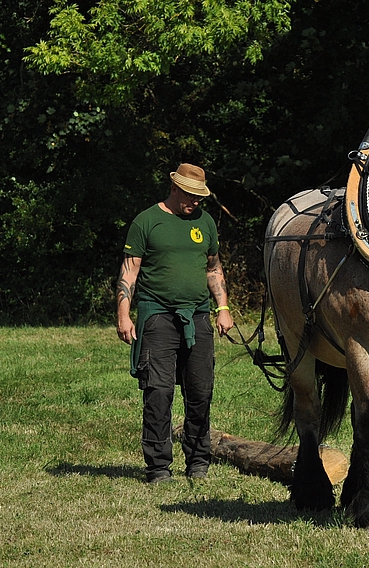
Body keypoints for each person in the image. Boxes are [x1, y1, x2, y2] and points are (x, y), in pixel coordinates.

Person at [116, 163, 234, 484]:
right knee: (158, 392)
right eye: (190, 195)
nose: (195, 202)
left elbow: (213, 267)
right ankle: (158, 467)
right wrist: (124, 314)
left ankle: (198, 461)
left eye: (200, 197)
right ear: (174, 188)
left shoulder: (205, 222)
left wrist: (222, 307)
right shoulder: (147, 222)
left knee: (201, 392)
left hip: (198, 316)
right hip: (157, 317)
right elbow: (130, 271)